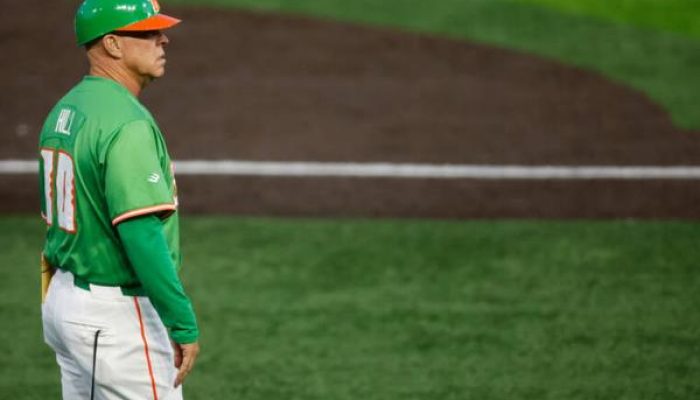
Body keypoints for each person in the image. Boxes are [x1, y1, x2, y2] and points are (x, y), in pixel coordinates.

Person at [38, 0, 199, 398]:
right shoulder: (126, 123)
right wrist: (181, 322)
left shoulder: (68, 108)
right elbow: (141, 233)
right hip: (117, 318)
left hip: (66, 302)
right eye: (148, 32)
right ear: (112, 44)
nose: (163, 39)